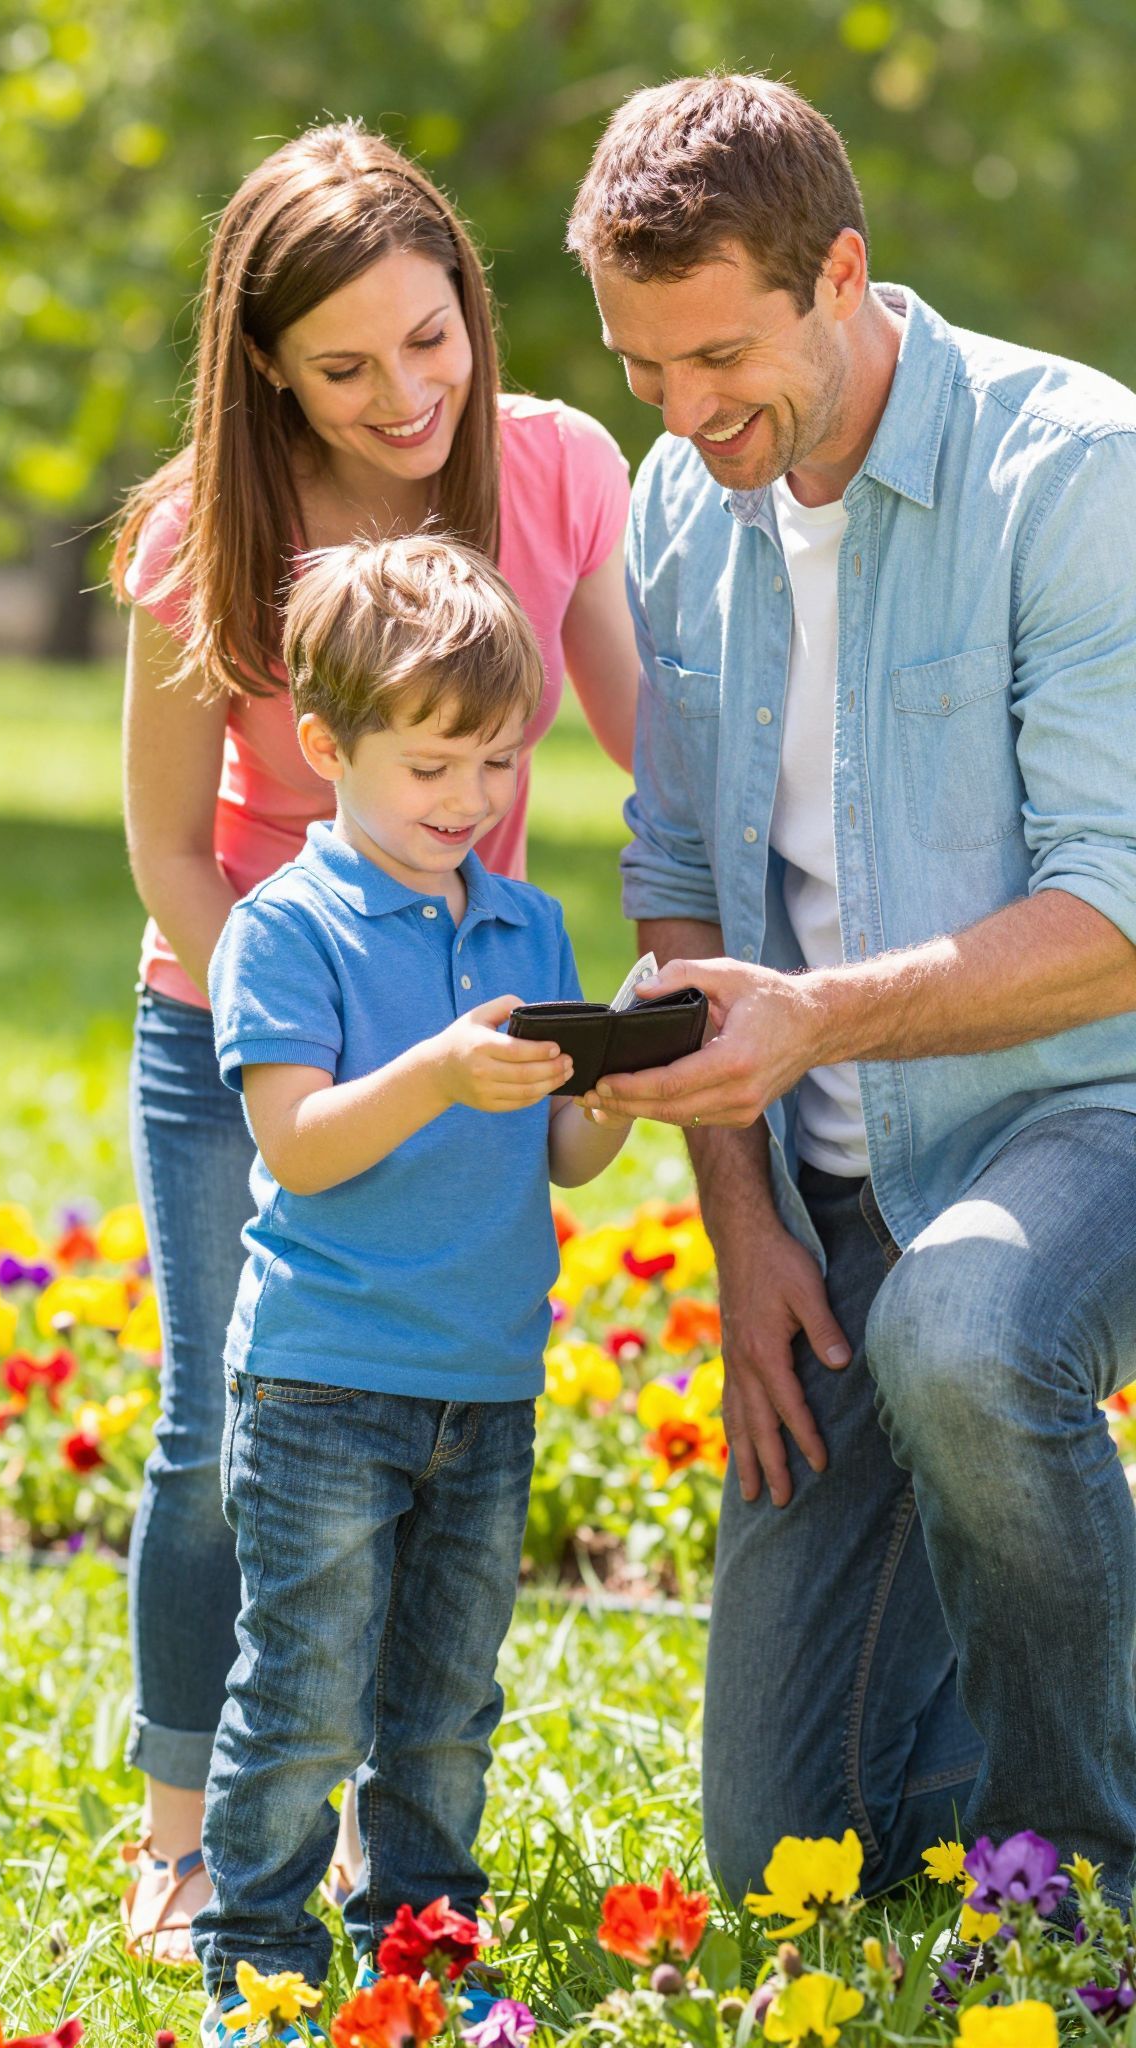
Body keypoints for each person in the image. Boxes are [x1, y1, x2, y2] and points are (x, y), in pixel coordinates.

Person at [566, 74, 1136, 1909]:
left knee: (964, 1332)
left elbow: (1118, 915)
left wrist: (821, 1021)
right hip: (823, 1185)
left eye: (718, 352)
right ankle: (1044, 1683)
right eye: (641, 367)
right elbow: (675, 894)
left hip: (1080, 1116)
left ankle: (1084, 1870)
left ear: (843, 273)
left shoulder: (1074, 472)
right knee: (786, 1853)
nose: (683, 409)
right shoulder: (678, 500)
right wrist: (744, 1221)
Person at [110, 120, 637, 1962]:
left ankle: (393, 1856)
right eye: (345, 365)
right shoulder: (210, 525)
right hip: (245, 1012)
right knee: (221, 1431)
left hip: (472, 1023)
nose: (406, 392)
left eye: (433, 337)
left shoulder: (561, 468)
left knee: (433, 1429)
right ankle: (186, 1843)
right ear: (267, 366)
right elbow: (172, 844)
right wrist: (311, 1012)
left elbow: (659, 763)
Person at [192, 533, 631, 2044]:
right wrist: (440, 1071)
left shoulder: (526, 926)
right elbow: (301, 1147)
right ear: (327, 747)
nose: (469, 802)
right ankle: (256, 1941)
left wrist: (613, 1089)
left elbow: (563, 1160)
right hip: (324, 1379)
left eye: (498, 765)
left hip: (486, 1380)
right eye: (433, 765)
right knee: (306, 1691)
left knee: (446, 1704)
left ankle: (421, 1935)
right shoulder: (285, 930)